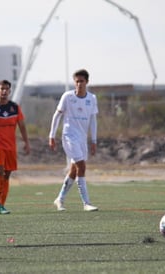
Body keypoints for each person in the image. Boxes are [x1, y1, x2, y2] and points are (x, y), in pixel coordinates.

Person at [49, 69, 99, 212]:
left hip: (82, 140)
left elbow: (93, 121)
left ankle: (60, 199)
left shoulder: (92, 98)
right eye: (76, 81)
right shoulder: (67, 97)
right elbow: (56, 115)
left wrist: (94, 140)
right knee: (81, 167)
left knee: (73, 171)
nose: (79, 84)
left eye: (81, 81)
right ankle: (86, 203)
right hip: (69, 136)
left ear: (87, 82)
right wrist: (51, 136)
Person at [0, 80, 30, 214]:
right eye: (2, 89)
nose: (4, 91)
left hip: (11, 147)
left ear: (9, 91)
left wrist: (26, 143)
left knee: (7, 175)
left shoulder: (14, 108)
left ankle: (2, 205)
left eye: (7, 89)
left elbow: (22, 126)